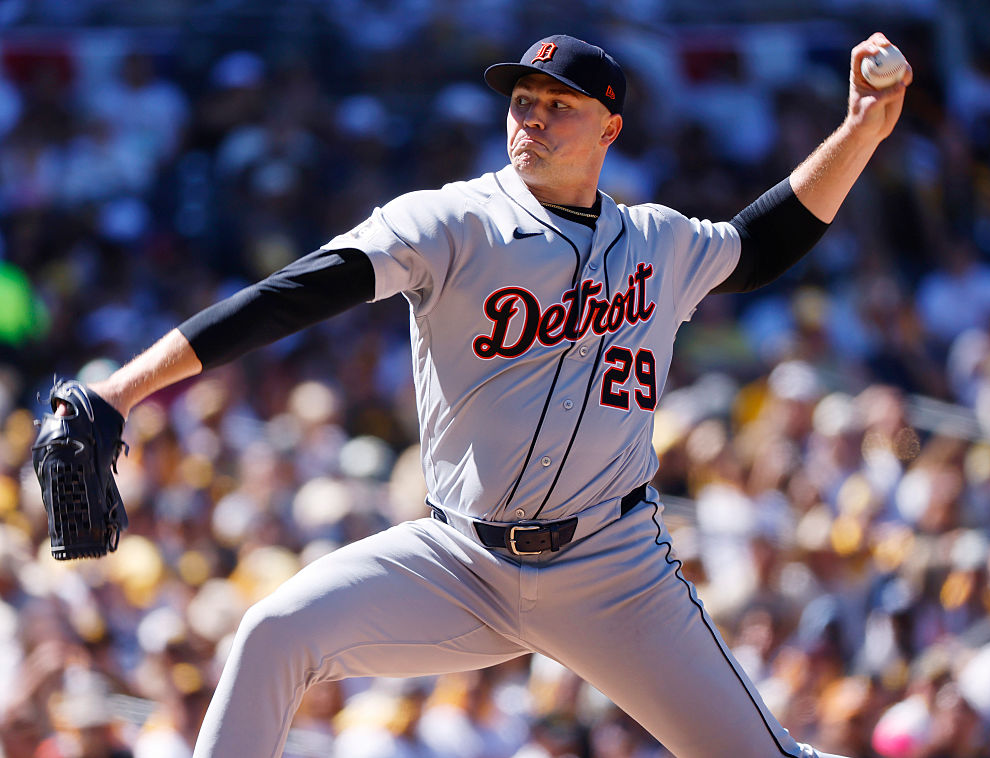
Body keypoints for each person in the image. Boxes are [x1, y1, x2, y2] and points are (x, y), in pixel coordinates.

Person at [57, 32, 912, 758]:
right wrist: (125, 389)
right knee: (274, 634)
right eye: (522, 102)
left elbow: (760, 246)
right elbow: (297, 290)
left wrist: (861, 130)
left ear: (610, 127)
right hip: (458, 559)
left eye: (559, 104)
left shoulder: (658, 242)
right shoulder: (452, 221)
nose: (532, 118)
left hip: (613, 573)